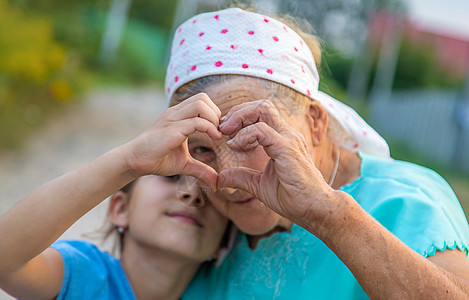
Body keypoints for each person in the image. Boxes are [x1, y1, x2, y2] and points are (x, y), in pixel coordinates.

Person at [164, 7, 469, 299]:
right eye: (202, 149)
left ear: (315, 121)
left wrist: (327, 214)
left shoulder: (402, 202)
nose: (228, 183)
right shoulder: (210, 222)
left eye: (250, 137)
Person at [0, 94, 229, 300]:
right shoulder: (84, 276)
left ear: (224, 240)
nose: (191, 194)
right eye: (170, 177)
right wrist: (128, 163)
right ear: (120, 209)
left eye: (211, 187)